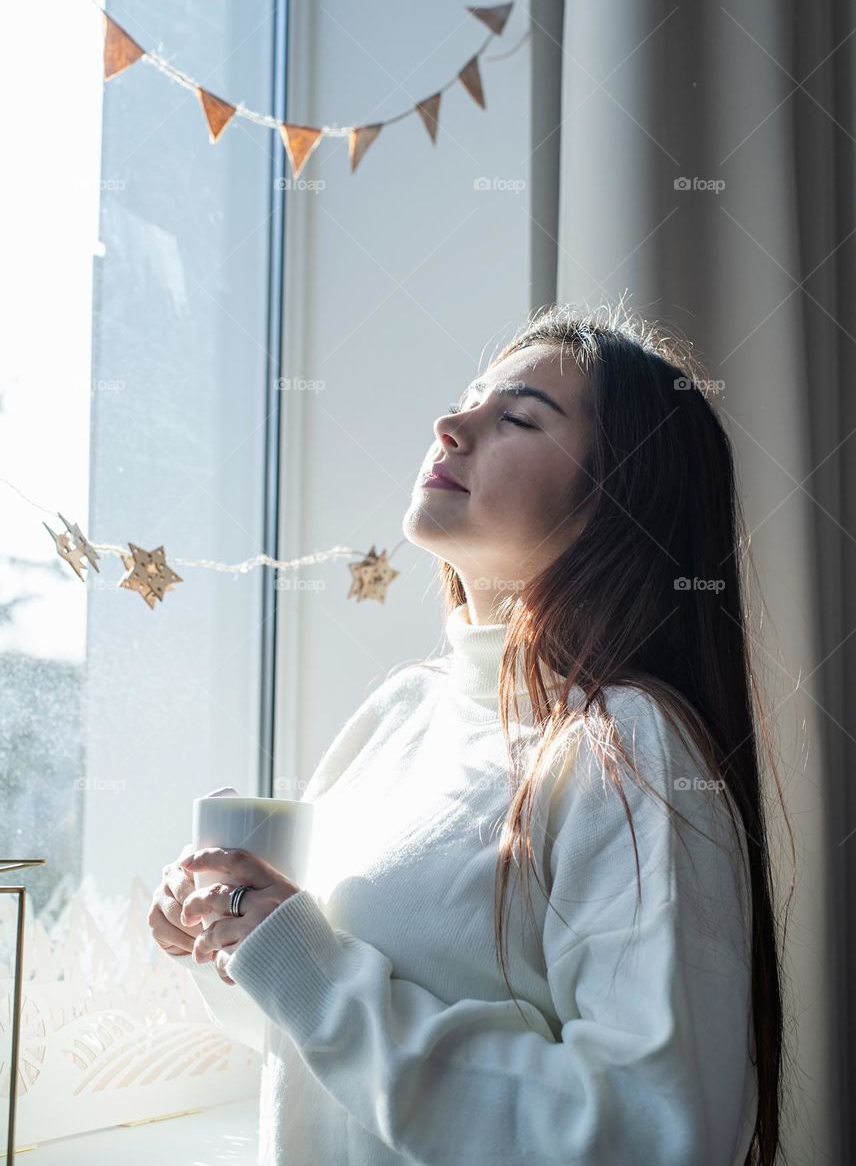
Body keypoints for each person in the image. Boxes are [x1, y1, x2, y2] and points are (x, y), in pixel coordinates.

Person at [149, 303, 790, 1165]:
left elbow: (651, 1133)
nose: (450, 425)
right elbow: (319, 1042)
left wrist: (305, 967)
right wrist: (231, 940)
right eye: (469, 400)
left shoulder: (627, 748)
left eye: (518, 417)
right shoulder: (399, 714)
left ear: (617, 500)